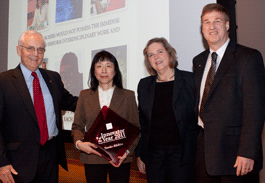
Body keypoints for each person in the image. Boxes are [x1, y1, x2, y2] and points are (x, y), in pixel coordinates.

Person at [0, 30, 78, 183]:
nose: (35, 54)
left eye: (40, 49)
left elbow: (72, 102)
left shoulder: (53, 78)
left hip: (50, 157)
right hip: (18, 162)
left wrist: (101, 100)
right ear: (18, 50)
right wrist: (1, 162)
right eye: (30, 48)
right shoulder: (1, 82)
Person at [193, 3, 265, 183]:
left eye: (217, 21)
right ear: (202, 28)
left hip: (236, 157)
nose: (211, 26)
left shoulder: (248, 57)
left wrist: (247, 152)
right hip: (205, 153)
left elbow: (255, 110)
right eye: (206, 22)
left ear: (227, 25)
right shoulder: (199, 61)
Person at [135, 37, 198, 183]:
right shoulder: (144, 85)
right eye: (151, 55)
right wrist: (140, 154)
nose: (156, 57)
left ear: (169, 54)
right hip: (154, 155)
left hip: (182, 154)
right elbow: (142, 123)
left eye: (159, 51)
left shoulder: (189, 80)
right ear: (148, 61)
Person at [71, 50, 140, 183]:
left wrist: (126, 152)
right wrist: (79, 144)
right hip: (92, 156)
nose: (104, 70)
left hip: (120, 158)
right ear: (94, 71)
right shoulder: (84, 96)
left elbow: (135, 128)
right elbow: (77, 126)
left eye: (108, 66)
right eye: (99, 66)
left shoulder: (128, 96)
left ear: (115, 71)